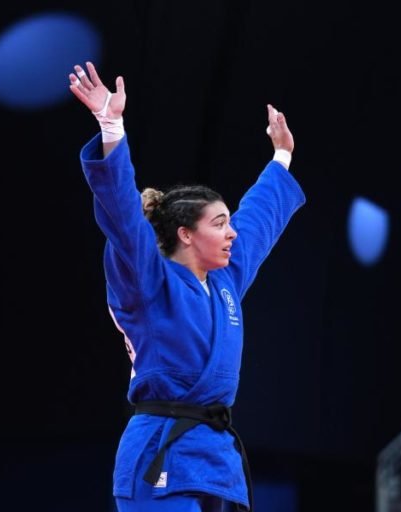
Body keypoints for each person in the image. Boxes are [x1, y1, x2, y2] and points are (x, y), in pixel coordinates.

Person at [68, 61, 306, 512]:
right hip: (158, 452)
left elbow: (259, 220)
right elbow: (124, 219)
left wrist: (282, 156)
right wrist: (111, 126)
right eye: (219, 224)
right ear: (185, 235)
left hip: (213, 459)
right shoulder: (149, 282)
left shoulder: (224, 282)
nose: (232, 232)